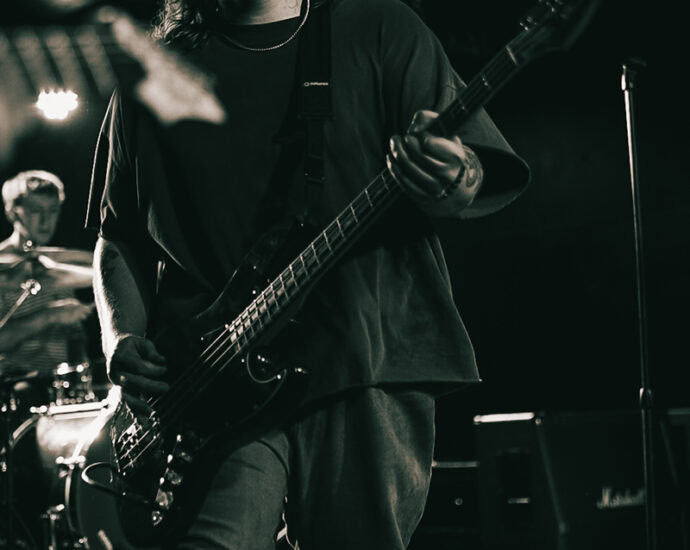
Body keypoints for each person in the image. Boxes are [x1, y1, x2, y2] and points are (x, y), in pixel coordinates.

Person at [88, 0, 530, 548]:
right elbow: (118, 236)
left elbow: (466, 178)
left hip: (362, 360)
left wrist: (451, 173)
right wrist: (119, 335)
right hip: (209, 384)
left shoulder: (380, 27)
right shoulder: (146, 74)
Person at [0, 170, 94, 409]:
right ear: (12, 212)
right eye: (35, 210)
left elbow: (74, 337)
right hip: (14, 386)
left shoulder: (58, 268)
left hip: (58, 382)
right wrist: (51, 315)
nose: (46, 221)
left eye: (52, 211)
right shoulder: (4, 266)